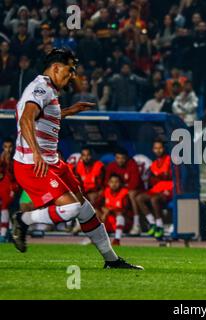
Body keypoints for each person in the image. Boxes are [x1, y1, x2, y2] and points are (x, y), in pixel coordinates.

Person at [10, 48, 142, 269]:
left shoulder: (48, 89)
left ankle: (111, 260)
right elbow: (26, 119)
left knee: (85, 209)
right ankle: (22, 220)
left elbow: (45, 116)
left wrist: (69, 111)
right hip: (33, 164)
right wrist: (35, 152)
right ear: (55, 67)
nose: (72, 75)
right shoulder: (40, 88)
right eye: (70, 70)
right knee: (71, 209)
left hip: (52, 161)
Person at [136, 139, 173, 239]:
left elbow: (170, 177)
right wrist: (158, 177)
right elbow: (153, 181)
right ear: (153, 150)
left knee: (154, 199)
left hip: (168, 189)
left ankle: (160, 226)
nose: (158, 150)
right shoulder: (154, 164)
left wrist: (161, 177)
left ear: (164, 148)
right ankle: (152, 223)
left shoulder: (170, 160)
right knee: (139, 198)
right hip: (157, 189)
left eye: (160, 148)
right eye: (156, 148)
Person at [104, 148, 143, 235]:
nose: (120, 160)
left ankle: (136, 224)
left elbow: (135, 184)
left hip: (131, 191)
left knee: (131, 194)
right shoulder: (111, 166)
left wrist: (121, 188)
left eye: (122, 158)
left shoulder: (132, 165)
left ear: (126, 158)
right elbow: (107, 182)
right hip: (117, 192)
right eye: (118, 158)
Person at [95, 174, 131, 246]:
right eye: (112, 182)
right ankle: (96, 237)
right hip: (107, 220)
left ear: (120, 183)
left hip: (121, 223)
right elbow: (97, 204)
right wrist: (103, 209)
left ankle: (117, 239)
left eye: (116, 182)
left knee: (120, 215)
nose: (114, 184)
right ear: (108, 183)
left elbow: (126, 210)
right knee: (95, 212)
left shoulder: (124, 193)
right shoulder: (106, 191)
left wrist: (111, 210)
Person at [0, 138, 18, 242]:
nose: (8, 149)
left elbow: (15, 177)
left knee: (6, 209)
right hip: (2, 187)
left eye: (10, 147)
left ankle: (4, 234)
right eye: (6, 147)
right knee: (4, 210)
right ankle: (8, 233)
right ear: (3, 147)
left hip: (10, 189)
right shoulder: (2, 160)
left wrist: (14, 188)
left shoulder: (15, 161)